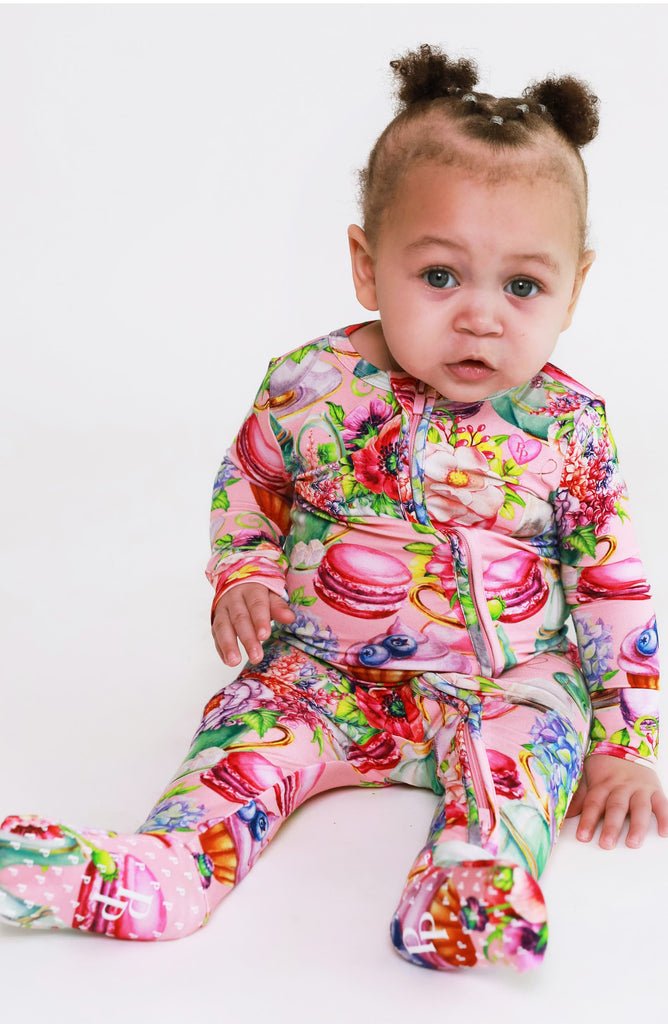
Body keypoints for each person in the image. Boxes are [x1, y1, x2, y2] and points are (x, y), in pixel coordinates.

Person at [1, 44, 666, 970]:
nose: (481, 316)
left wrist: (627, 742)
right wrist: (244, 571)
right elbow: (250, 488)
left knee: (523, 762)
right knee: (247, 744)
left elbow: (609, 587)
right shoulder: (310, 387)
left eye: (523, 286)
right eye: (440, 276)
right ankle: (156, 874)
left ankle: (468, 883)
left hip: (503, 681)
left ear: (575, 288)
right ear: (367, 264)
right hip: (321, 678)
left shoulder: (568, 428)